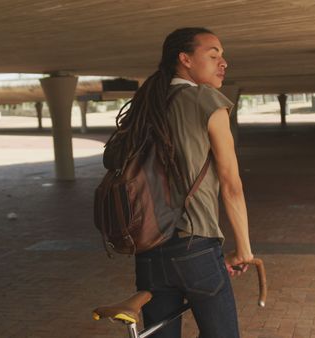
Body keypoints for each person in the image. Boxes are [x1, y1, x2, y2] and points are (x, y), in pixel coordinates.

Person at [113, 27, 253, 338]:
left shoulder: (147, 104)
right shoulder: (206, 100)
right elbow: (232, 184)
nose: (223, 62)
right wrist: (243, 248)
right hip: (195, 244)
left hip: (149, 248)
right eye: (213, 54)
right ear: (185, 59)